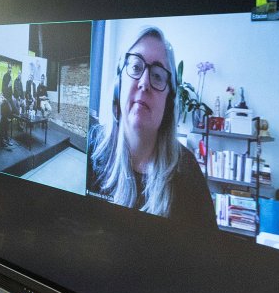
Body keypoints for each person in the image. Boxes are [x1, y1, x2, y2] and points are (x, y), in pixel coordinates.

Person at [87, 27, 215, 227]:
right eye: (136, 67)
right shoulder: (90, 148)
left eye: (157, 76)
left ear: (168, 102)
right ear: (119, 85)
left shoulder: (188, 172)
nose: (144, 83)